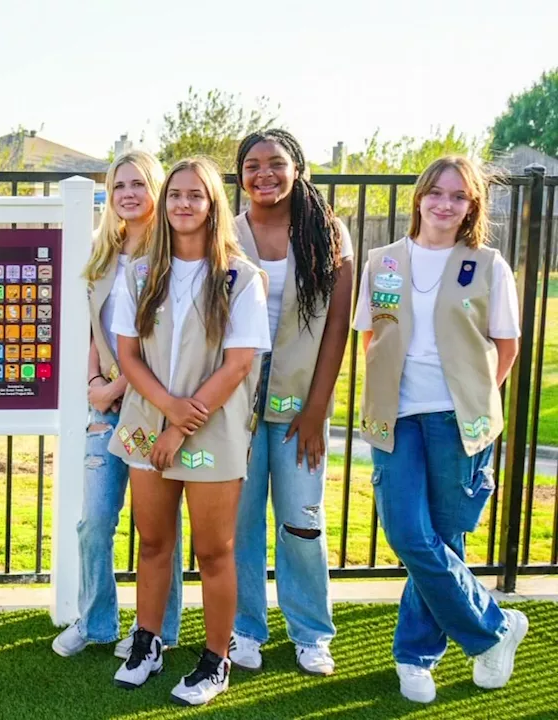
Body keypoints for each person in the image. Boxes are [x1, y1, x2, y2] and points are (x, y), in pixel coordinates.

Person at [354, 156, 527, 704]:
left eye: (458, 196)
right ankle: (493, 628)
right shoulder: (382, 262)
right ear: (419, 198)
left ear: (471, 206)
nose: (445, 204)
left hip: (458, 420)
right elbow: (370, 337)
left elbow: (507, 346)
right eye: (436, 193)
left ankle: (415, 657)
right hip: (397, 417)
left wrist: (474, 398)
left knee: (442, 539)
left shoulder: (487, 263)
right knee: (408, 533)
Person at [108, 157, 270, 706]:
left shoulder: (241, 278)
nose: (182, 203)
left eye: (194, 195)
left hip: (210, 431)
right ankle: (148, 642)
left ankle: (215, 659)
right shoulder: (138, 273)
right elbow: (127, 357)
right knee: (152, 542)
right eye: (174, 193)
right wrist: (167, 412)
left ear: (212, 204)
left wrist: (182, 422)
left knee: (213, 551)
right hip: (149, 423)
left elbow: (239, 364)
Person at [52, 151, 185, 660]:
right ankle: (97, 622)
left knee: (157, 529)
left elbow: (168, 343)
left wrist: (116, 388)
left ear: (155, 189)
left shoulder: (174, 256)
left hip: (148, 406)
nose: (128, 193)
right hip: (103, 408)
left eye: (138, 184)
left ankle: (159, 630)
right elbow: (95, 328)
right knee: (95, 520)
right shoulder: (103, 252)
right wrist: (92, 379)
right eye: (119, 184)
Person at [229, 130, 352, 675]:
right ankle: (244, 628)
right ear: (240, 175)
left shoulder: (329, 235)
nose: (264, 174)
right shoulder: (226, 235)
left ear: (297, 168)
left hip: (302, 405)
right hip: (236, 408)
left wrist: (316, 410)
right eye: (252, 165)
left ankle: (310, 632)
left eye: (276, 163)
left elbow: (338, 329)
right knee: (241, 521)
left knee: (302, 519)